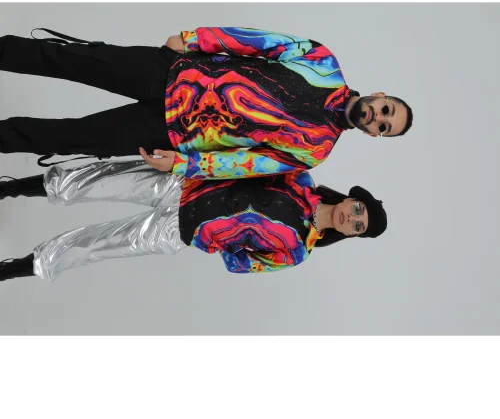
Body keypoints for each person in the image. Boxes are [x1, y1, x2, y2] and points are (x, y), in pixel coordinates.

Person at [0, 27, 413, 179]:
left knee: (73, 137)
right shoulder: (322, 61)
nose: (377, 118)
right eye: (386, 110)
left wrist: (183, 165)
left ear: (373, 135)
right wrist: (196, 38)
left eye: (383, 127)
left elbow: (246, 164)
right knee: (70, 59)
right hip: (173, 72)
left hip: (171, 134)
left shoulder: (314, 151)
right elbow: (259, 43)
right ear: (380, 95)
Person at [0, 158, 387, 282]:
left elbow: (240, 264)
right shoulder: (300, 179)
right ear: (352, 198)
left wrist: (221, 234)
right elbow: (248, 161)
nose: (352, 218)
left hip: (179, 231)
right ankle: (9, 188)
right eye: (359, 209)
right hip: (184, 184)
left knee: (95, 246)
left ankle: (15, 268)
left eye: (359, 225)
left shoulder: (296, 252)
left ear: (351, 234)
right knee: (97, 179)